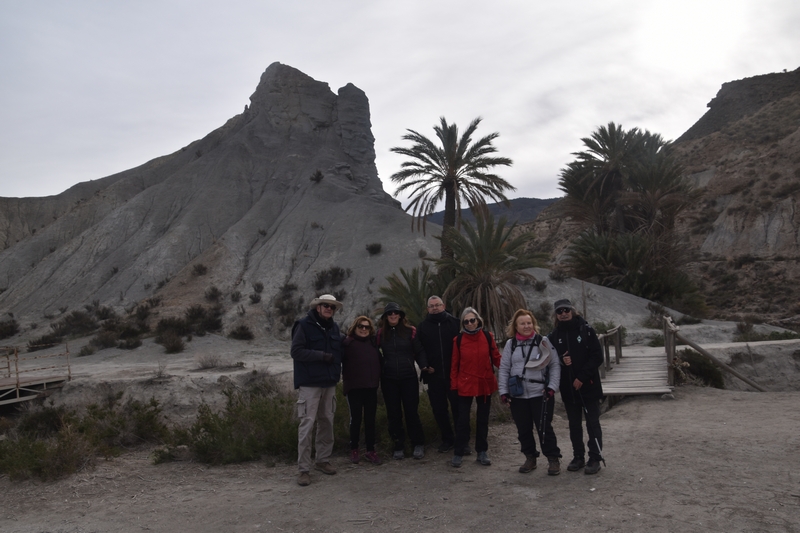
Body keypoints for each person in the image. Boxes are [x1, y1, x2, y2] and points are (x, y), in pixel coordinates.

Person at [498, 308, 562, 476]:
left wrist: (552, 388)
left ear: (533, 324)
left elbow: (554, 365)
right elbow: (504, 369)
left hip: (540, 394)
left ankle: (553, 459)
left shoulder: (543, 341)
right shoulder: (510, 345)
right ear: (516, 326)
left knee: (544, 428)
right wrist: (503, 391)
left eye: (529, 323)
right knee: (523, 429)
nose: (526, 326)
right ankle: (530, 457)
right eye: (522, 323)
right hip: (518, 395)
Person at [290, 294, 344, 487]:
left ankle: (322, 460)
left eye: (332, 306)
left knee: (327, 422)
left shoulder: (335, 328)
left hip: (329, 383)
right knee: (307, 425)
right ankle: (303, 469)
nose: (329, 308)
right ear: (318, 307)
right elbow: (295, 351)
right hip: (310, 384)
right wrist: (321, 356)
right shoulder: (303, 325)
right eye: (325, 305)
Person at [547, 299, 604, 475]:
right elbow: (550, 361)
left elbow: (597, 356)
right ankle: (578, 456)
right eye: (559, 311)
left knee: (592, 424)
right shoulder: (553, 336)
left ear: (572, 311)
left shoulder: (586, 330)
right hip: (568, 389)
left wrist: (582, 377)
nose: (563, 313)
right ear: (555, 315)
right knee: (574, 425)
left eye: (566, 310)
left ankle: (595, 458)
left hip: (588, 386)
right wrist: (563, 363)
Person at [377, 302, 431, 460]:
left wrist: (424, 366)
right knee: (393, 414)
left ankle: (418, 444)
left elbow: (419, 350)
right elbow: (375, 353)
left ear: (400, 315)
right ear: (385, 317)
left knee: (411, 412)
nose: (393, 315)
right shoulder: (381, 334)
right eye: (389, 313)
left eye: (395, 312)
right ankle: (398, 445)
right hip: (389, 379)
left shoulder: (410, 331)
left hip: (408, 377)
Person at [449, 307, 501, 467]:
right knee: (462, 420)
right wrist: (454, 385)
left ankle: (482, 451)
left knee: (483, 419)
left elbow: (496, 358)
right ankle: (459, 452)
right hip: (465, 384)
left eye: (472, 320)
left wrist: (510, 369)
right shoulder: (458, 340)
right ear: (463, 323)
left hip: (484, 383)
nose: (470, 323)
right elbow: (454, 365)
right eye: (466, 321)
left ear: (478, 320)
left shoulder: (487, 336)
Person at [416, 295, 462, 453]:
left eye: (437, 305)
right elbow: (419, 349)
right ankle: (447, 439)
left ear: (444, 305)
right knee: (439, 410)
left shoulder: (455, 323)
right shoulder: (422, 327)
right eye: (431, 306)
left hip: (454, 375)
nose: (435, 308)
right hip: (433, 376)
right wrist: (424, 365)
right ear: (427, 309)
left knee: (458, 408)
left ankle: (462, 440)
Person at [342, 316, 382, 465]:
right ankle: (354, 449)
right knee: (356, 419)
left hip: (371, 387)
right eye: (360, 326)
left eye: (367, 327)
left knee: (370, 420)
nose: (363, 329)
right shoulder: (347, 343)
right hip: (354, 388)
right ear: (355, 327)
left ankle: (370, 450)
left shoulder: (373, 344)